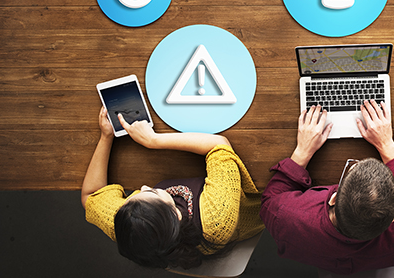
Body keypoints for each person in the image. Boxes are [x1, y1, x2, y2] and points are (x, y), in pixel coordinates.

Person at [81, 107, 264, 269]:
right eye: (151, 193)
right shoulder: (216, 220)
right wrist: (153, 140)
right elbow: (220, 145)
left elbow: (90, 196)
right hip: (253, 207)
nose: (143, 187)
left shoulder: (130, 227)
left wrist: (106, 136)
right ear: (175, 214)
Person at [260, 100, 394, 274]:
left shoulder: (286, 219)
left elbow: (270, 199)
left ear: (333, 199)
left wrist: (302, 152)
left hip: (319, 255)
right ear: (393, 216)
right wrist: (386, 145)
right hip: (382, 258)